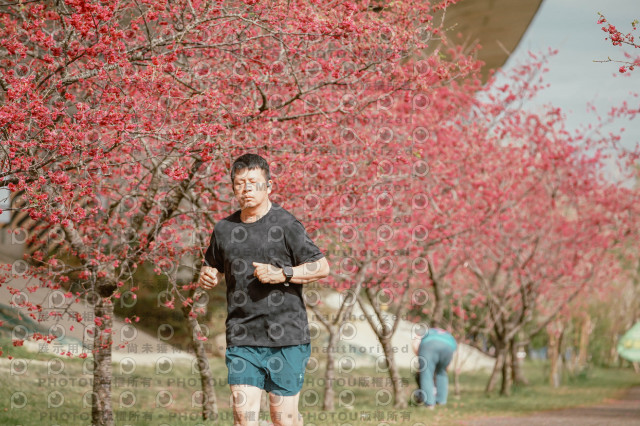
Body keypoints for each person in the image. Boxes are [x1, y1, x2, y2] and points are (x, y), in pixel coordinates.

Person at [198, 153, 330, 426]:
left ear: (269, 186)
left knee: (283, 420)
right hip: (242, 336)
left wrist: (284, 273)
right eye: (240, 183)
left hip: (287, 338)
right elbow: (212, 266)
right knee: (244, 418)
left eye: (254, 183)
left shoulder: (286, 225)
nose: (246, 189)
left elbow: (321, 267)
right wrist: (208, 275)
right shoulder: (224, 229)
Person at [411, 327, 457, 409]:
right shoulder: (448, 335)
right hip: (448, 348)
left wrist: (420, 359)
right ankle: (441, 401)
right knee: (442, 373)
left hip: (429, 346)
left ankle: (429, 404)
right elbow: (453, 351)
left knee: (426, 374)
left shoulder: (427, 332)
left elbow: (415, 344)